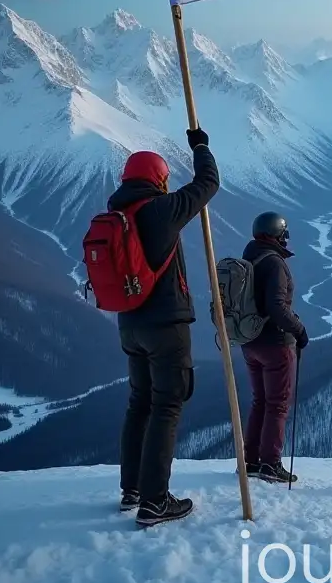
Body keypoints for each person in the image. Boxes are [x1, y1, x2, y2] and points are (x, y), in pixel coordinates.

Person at [112, 128, 219, 527]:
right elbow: (208, 184)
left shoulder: (117, 215)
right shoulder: (161, 210)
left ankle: (132, 488)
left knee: (139, 404)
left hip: (129, 325)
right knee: (167, 405)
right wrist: (201, 147)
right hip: (166, 327)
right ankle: (156, 501)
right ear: (158, 180)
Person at [240, 211, 308, 483]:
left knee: (260, 401)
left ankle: (252, 461)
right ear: (277, 234)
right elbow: (277, 307)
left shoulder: (249, 258)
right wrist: (300, 330)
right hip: (275, 343)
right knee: (278, 404)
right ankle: (271, 463)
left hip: (250, 341)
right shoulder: (275, 264)